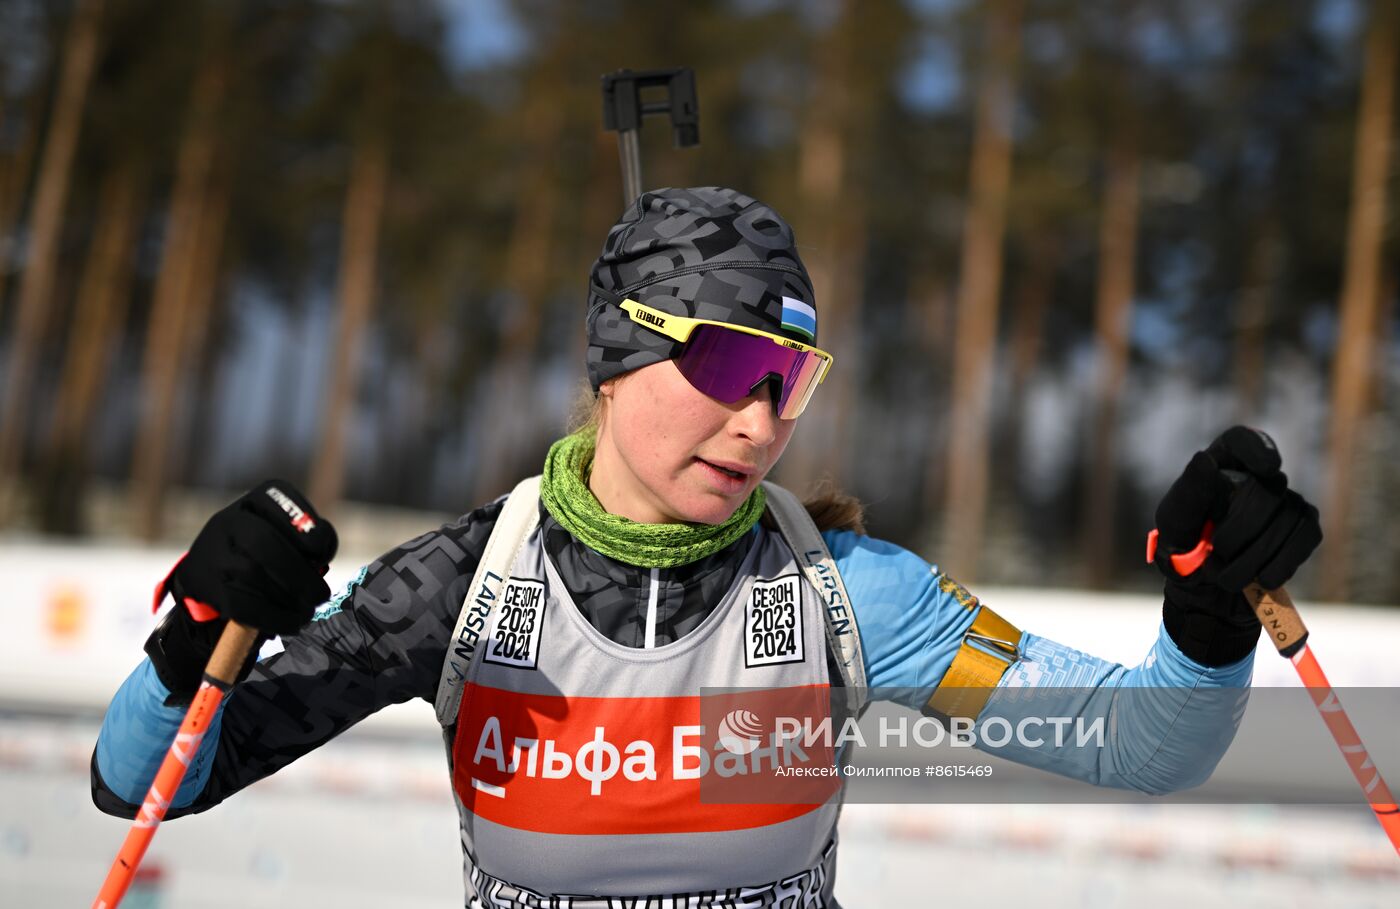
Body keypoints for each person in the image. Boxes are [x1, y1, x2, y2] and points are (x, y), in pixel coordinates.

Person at [93, 186, 1322, 908]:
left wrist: (1204, 613)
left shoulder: (848, 595)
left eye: (790, 380)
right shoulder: (465, 584)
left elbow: (1135, 744)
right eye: (728, 363)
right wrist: (191, 639)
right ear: (615, 356)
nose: (760, 421)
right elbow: (149, 783)